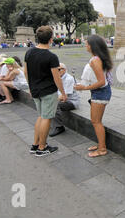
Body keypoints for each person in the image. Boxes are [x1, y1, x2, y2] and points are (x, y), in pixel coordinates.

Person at [24, 26, 67, 157]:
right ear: (50, 39)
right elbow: (56, 77)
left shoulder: (29, 52)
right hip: (48, 91)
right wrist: (63, 93)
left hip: (35, 90)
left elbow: (26, 72)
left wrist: (30, 87)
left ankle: (35, 144)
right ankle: (42, 147)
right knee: (47, 118)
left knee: (41, 116)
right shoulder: (51, 56)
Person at [75, 35, 113, 158]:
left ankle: (102, 149)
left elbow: (101, 81)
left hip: (100, 92)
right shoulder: (97, 58)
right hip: (101, 92)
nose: (85, 46)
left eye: (86, 44)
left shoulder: (95, 60)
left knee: (96, 122)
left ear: (92, 46)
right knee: (97, 121)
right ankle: (100, 144)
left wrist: (84, 88)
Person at [50, 63, 80, 137]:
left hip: (71, 101)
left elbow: (64, 96)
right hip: (61, 99)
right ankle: (50, 123)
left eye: (59, 69)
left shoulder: (69, 79)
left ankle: (59, 127)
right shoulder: (56, 77)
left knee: (54, 104)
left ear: (65, 70)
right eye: (55, 70)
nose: (57, 71)